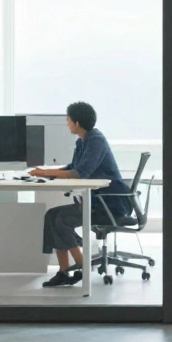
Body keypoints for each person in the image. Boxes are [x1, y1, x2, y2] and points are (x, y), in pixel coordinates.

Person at [28, 101, 130, 288]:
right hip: (96, 201)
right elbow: (72, 167)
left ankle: (83, 265)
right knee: (52, 215)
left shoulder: (96, 140)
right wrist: (47, 171)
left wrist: (45, 173)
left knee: (62, 220)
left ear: (76, 123)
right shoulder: (83, 140)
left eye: (68, 121)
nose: (67, 124)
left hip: (108, 205)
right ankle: (64, 272)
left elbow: (80, 173)